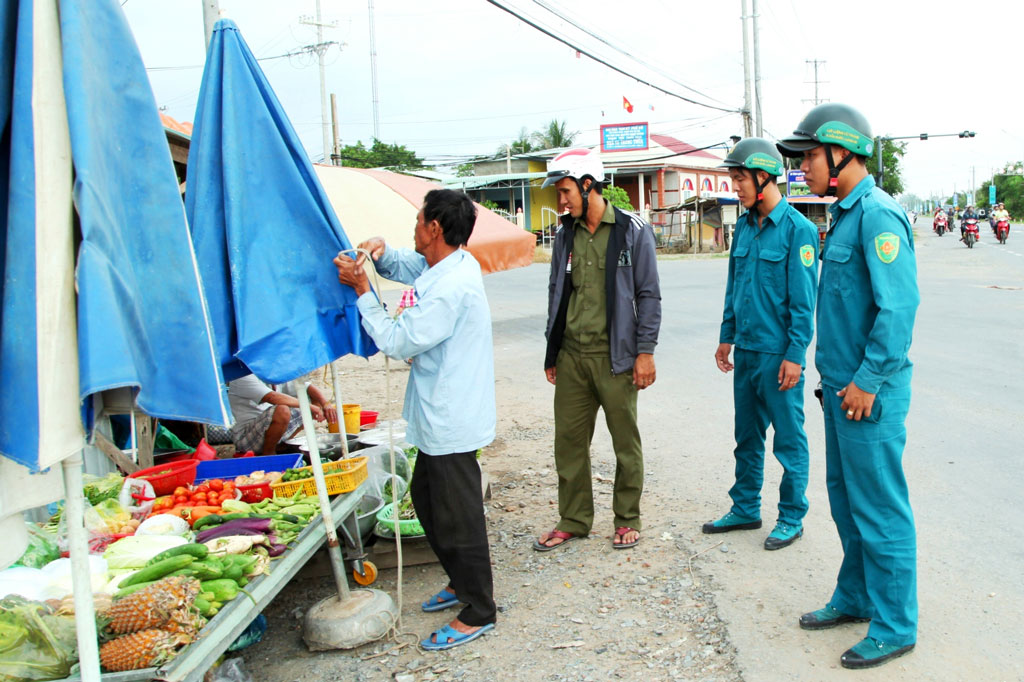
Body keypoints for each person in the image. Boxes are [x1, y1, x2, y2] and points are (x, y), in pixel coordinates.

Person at [777, 103, 920, 670]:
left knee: (880, 508)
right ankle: (858, 596)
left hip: (868, 394)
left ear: (841, 152)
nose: (802, 167)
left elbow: (898, 310)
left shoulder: (879, 216)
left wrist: (865, 381)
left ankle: (895, 624)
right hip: (839, 392)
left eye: (808, 155)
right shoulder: (843, 214)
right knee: (845, 500)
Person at [333, 189, 497, 651]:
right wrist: (381, 256)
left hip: (452, 416)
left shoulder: (452, 287)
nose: (414, 227)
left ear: (436, 229)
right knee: (426, 502)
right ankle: (461, 582)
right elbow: (413, 267)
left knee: (458, 517)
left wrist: (364, 291)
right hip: (436, 413)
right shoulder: (450, 264)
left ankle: (479, 607)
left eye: (418, 221)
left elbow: (397, 341)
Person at [534, 147, 661, 552]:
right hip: (573, 357)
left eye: (566, 190)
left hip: (616, 359)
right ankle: (574, 519)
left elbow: (649, 295)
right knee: (568, 444)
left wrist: (645, 351)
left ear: (589, 185)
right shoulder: (564, 234)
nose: (562, 200)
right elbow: (557, 291)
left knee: (626, 443)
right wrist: (552, 352)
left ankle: (627, 518)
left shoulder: (631, 230)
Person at [706, 138, 818, 550]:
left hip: (778, 355)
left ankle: (791, 516)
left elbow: (804, 304)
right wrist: (726, 336)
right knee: (747, 437)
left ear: (763, 176)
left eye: (739, 179)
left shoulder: (798, 231)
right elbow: (734, 286)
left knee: (789, 440)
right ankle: (746, 507)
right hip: (748, 350)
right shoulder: (745, 230)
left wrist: (795, 356)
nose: (735, 187)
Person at [226, 375, 335, 456]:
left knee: (312, 399)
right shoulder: (242, 377)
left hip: (269, 428)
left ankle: (282, 444)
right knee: (282, 410)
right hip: (246, 439)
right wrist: (311, 407)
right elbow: (272, 397)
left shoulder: (274, 372)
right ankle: (268, 453)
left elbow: (306, 386)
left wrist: (326, 404)